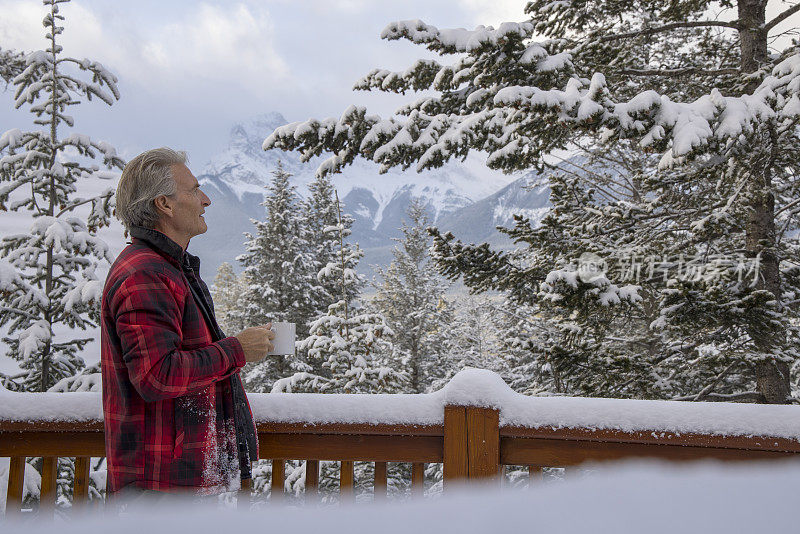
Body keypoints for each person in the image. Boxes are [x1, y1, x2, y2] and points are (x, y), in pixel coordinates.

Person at [100, 147, 274, 500]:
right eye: (194, 190)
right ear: (164, 204)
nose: (206, 200)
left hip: (174, 480)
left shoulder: (167, 268)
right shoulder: (145, 273)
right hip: (160, 487)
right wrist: (237, 349)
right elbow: (157, 375)